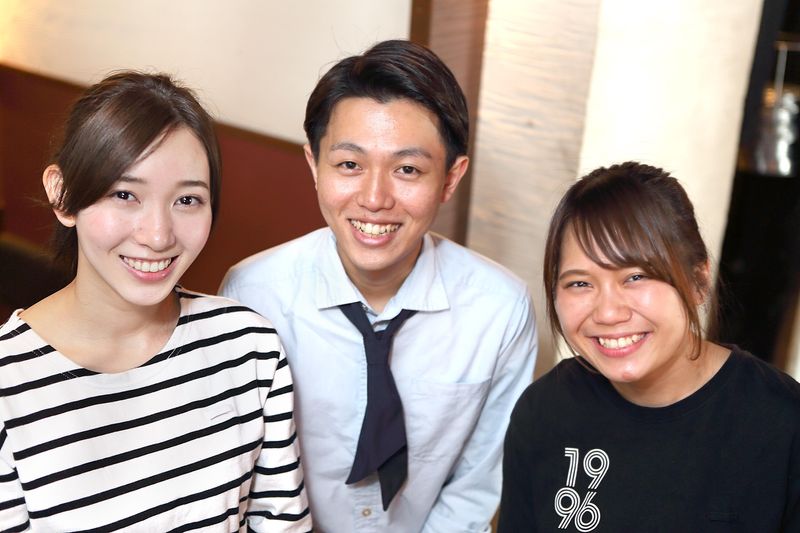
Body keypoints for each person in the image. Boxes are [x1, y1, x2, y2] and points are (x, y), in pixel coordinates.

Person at [220, 40, 538, 532]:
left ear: (450, 178)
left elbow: (476, 486)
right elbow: (239, 474)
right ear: (314, 165)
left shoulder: (500, 309)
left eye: (407, 169)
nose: (374, 198)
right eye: (349, 165)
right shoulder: (253, 295)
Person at [0, 71, 312, 531]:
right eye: (125, 194)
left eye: (187, 200)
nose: (159, 235)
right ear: (62, 195)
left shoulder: (249, 347)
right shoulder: (9, 386)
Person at [497, 161, 800, 532]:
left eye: (636, 277)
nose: (608, 312)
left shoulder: (783, 425)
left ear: (698, 281)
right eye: (580, 283)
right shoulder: (544, 410)